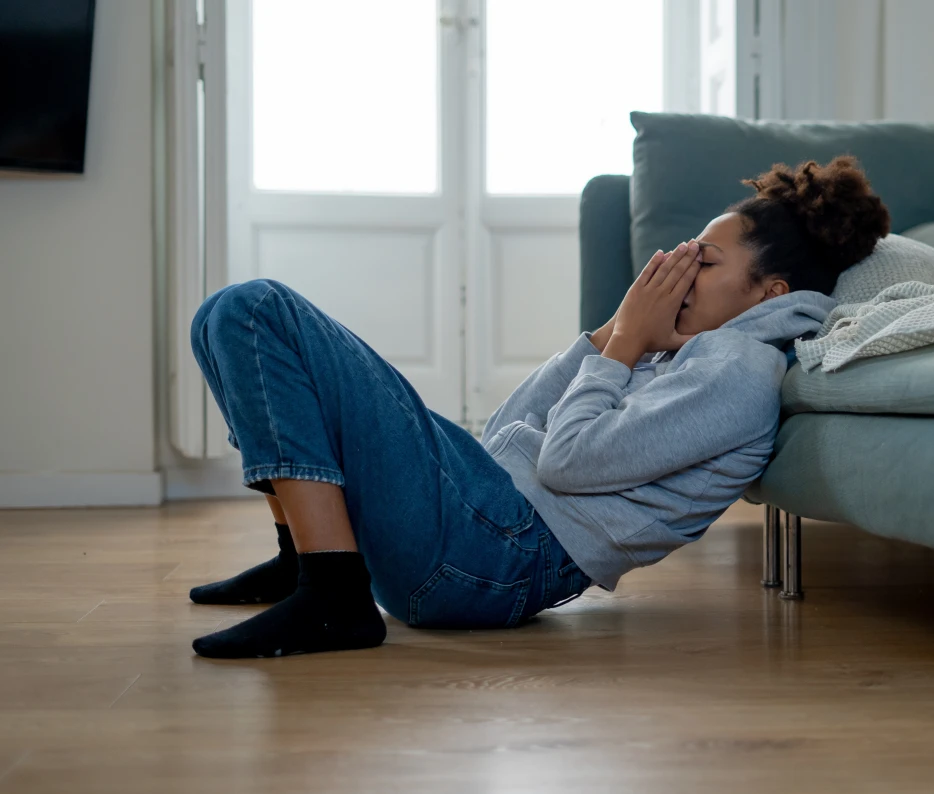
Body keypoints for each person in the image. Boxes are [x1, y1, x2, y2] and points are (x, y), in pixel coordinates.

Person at [186, 155, 890, 658]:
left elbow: (565, 464)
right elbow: (503, 437)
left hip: (493, 559)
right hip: (483, 528)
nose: (679, 272)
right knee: (222, 318)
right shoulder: (692, 351)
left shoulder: (738, 372)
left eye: (702, 262)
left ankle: (335, 595)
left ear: (772, 291)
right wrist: (613, 333)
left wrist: (624, 352)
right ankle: (307, 559)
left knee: (257, 312)